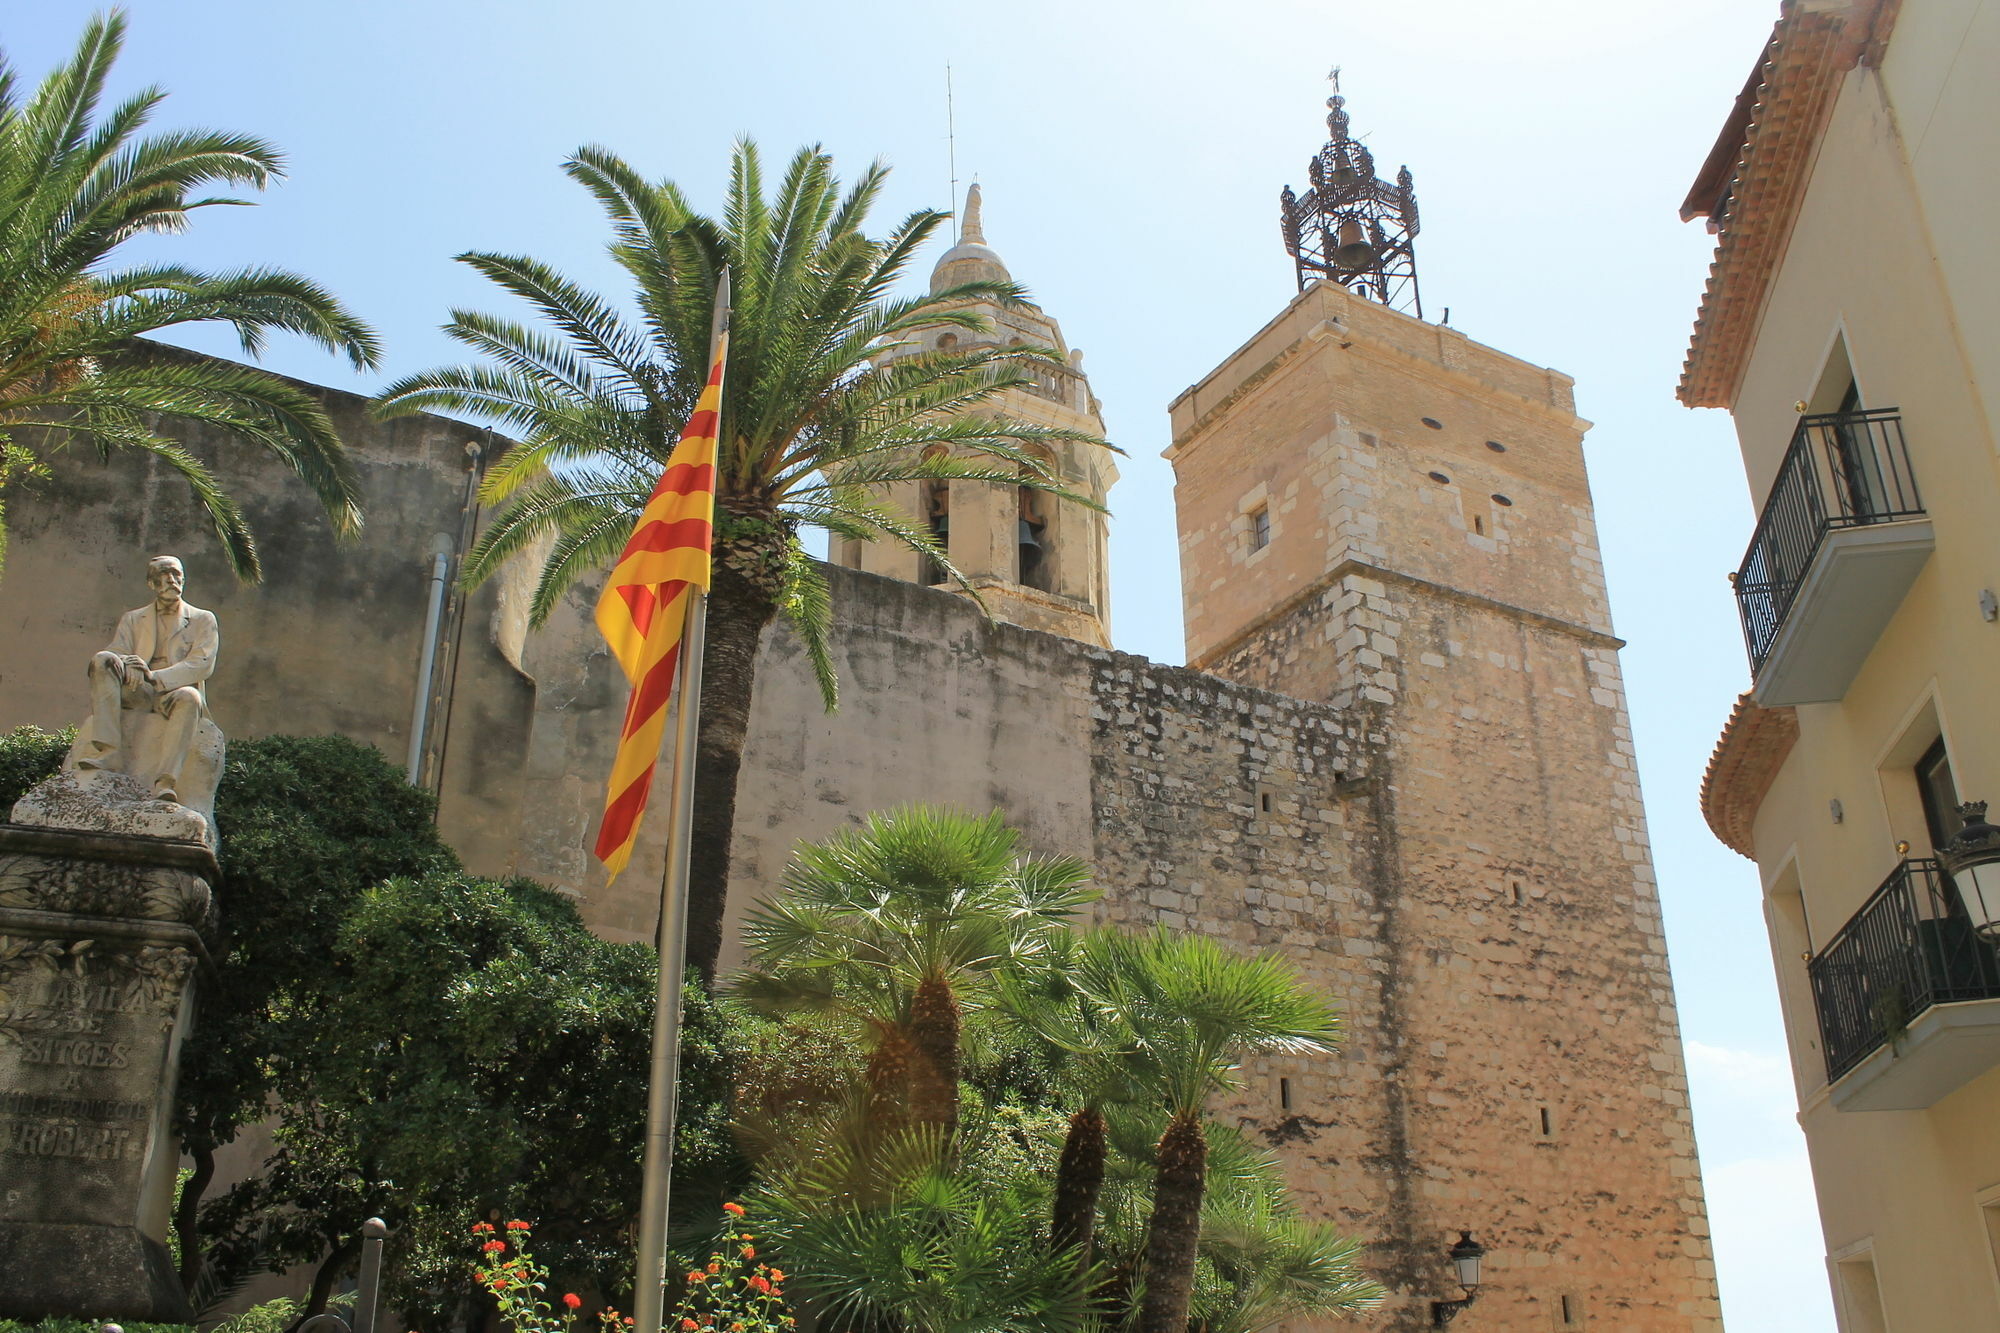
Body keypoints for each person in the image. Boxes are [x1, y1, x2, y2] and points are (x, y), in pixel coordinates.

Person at [79, 555, 219, 804]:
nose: (171, 580)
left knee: (191, 697)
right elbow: (118, 651)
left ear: (183, 579)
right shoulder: (133, 619)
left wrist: (153, 676)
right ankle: (110, 751)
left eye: (176, 575)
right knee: (102, 659)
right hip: (137, 690)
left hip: (173, 690)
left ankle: (166, 781)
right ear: (151, 584)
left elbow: (202, 664)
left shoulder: (202, 619)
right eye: (164, 576)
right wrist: (130, 663)